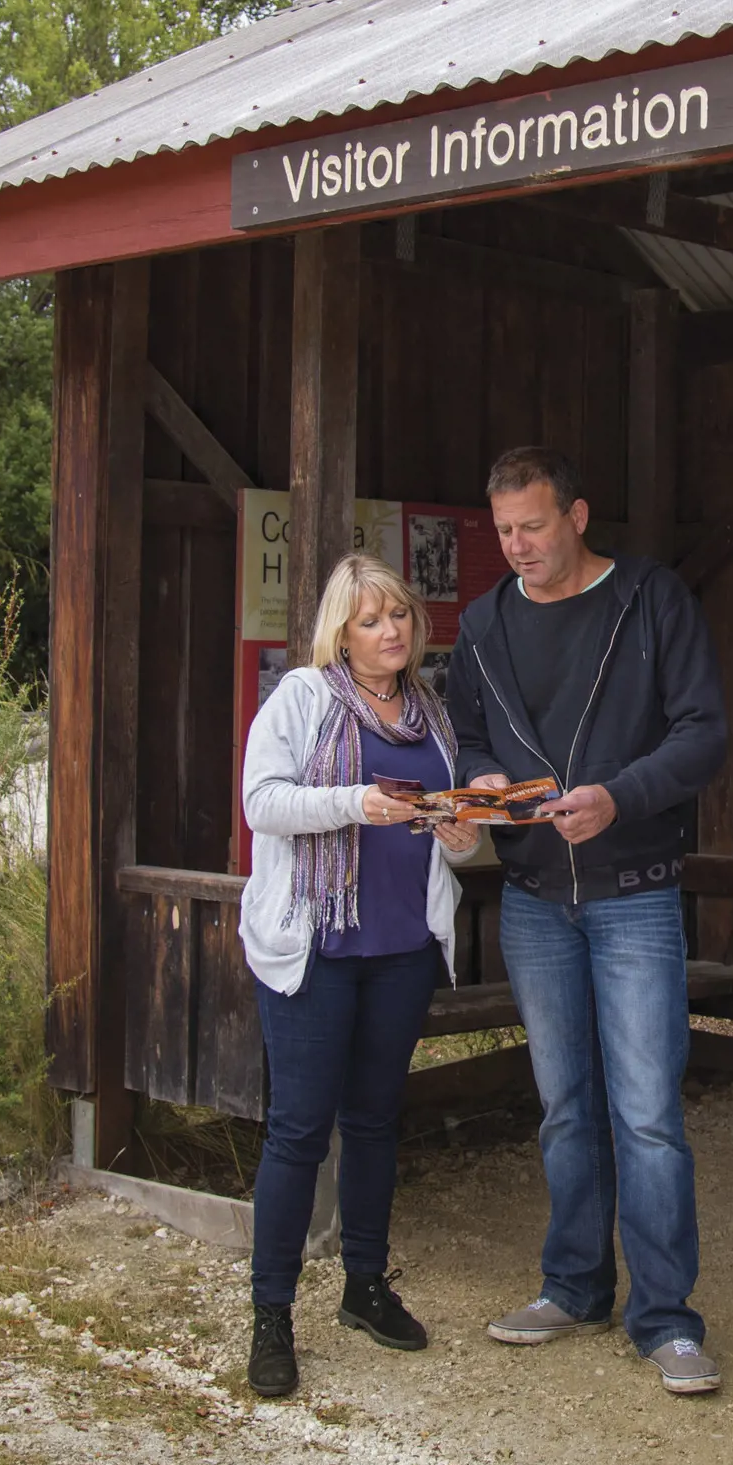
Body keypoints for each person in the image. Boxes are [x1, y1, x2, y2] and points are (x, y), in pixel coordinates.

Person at [445, 446, 730, 1394]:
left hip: (635, 890)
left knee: (646, 1118)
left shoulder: (650, 601)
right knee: (566, 1111)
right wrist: (481, 779)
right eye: (503, 532)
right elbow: (469, 731)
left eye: (531, 526)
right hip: (533, 902)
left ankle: (666, 1320)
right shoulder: (483, 622)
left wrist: (621, 797)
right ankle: (572, 1287)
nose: (516, 546)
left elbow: (703, 733)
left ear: (576, 515)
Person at [236, 553, 479, 1399]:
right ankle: (271, 1315)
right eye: (372, 620)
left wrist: (460, 836)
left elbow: (456, 831)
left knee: (376, 1122)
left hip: (402, 948)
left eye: (401, 618)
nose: (391, 632)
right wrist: (353, 801)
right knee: (300, 1130)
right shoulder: (303, 698)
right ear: (341, 632)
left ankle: (365, 1289)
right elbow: (260, 803)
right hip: (317, 947)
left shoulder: (430, 714)